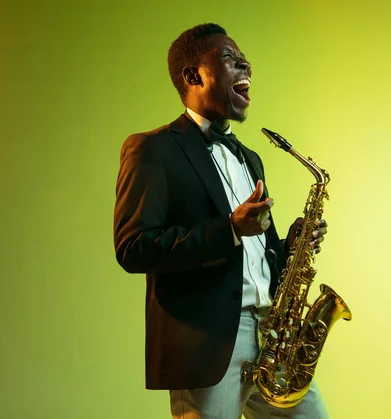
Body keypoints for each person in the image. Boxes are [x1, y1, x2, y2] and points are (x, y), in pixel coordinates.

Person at [113, 23, 329, 419]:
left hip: (275, 338)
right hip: (209, 345)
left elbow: (254, 255)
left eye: (243, 57)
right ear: (192, 76)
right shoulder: (152, 149)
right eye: (229, 58)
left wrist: (289, 247)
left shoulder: (250, 157)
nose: (245, 64)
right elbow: (133, 247)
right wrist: (228, 229)